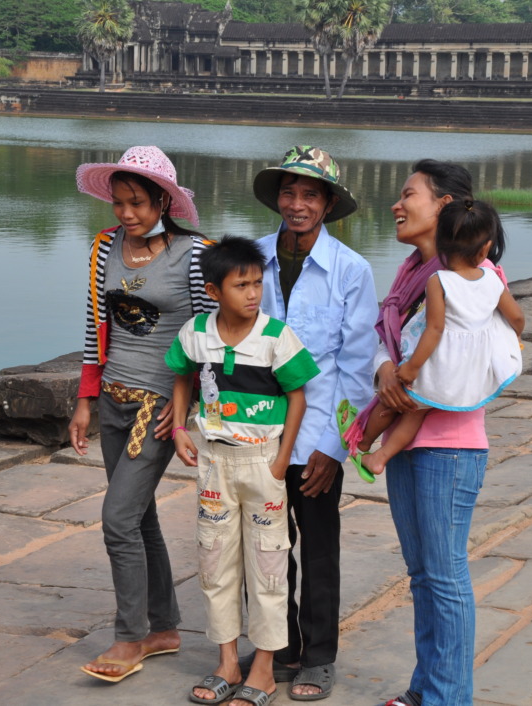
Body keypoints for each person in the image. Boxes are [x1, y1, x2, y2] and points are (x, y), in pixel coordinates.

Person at [68, 146, 216, 682]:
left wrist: (185, 410)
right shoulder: (103, 248)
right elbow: (94, 328)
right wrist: (84, 400)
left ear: (163, 200)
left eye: (137, 203)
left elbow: (210, 337)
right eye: (119, 203)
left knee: (116, 519)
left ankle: (129, 636)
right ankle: (164, 626)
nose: (126, 214)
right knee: (139, 516)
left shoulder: (196, 255)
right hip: (111, 398)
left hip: (157, 407)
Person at [367, 160, 504, 706]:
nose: (398, 205)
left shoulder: (474, 275)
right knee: (422, 574)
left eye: (409, 195)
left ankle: (450, 698)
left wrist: (409, 375)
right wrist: (385, 371)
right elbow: (392, 338)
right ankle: (426, 689)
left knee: (445, 577)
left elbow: (479, 356)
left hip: (450, 446)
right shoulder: (410, 274)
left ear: (445, 205)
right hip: (406, 439)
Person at [166, 236, 319, 706]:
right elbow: (181, 375)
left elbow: (297, 395)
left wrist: (281, 458)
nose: (253, 294)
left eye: (258, 283)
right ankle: (227, 661)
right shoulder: (196, 332)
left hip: (262, 465)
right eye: (241, 285)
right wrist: (177, 427)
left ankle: (266, 670)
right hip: (214, 464)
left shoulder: (275, 336)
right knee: (215, 563)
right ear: (214, 291)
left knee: (269, 566)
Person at [250, 145, 379, 701]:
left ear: (327, 204)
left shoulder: (352, 270)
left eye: (309, 195)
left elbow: (356, 371)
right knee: (265, 548)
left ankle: (319, 656)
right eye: (288, 193)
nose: (296, 204)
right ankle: (278, 646)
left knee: (320, 550)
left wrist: (334, 446)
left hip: (316, 439)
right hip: (254, 433)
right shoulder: (250, 259)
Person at [345, 199, 524, 478]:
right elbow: (517, 318)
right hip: (467, 373)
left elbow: (435, 329)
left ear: (439, 244)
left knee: (396, 400)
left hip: (439, 366)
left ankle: (363, 440)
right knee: (416, 411)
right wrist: (516, 334)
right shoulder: (493, 279)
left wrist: (412, 367)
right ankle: (379, 457)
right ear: (486, 248)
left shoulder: (439, 280)